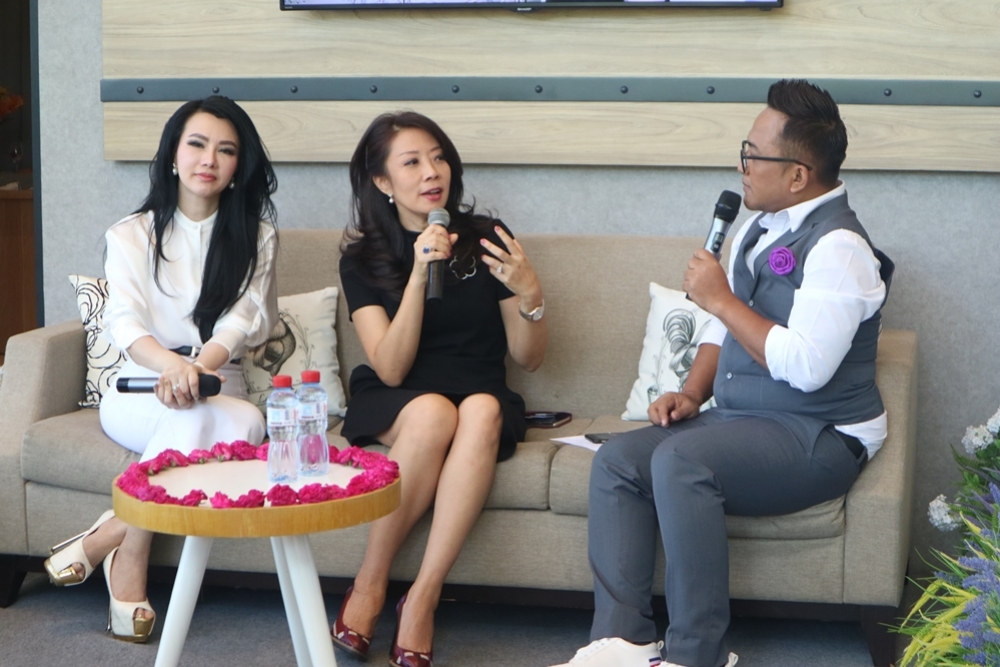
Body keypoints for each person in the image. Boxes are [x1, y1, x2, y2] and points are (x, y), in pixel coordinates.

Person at [552, 79, 894, 667]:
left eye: (754, 155)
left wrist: (720, 298)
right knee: (618, 461)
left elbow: (807, 368)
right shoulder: (757, 229)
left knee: (682, 462)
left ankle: (697, 654)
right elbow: (720, 331)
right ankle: (623, 641)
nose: (742, 166)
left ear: (798, 175)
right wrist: (691, 392)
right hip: (745, 420)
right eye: (745, 150)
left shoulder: (840, 248)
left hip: (821, 435)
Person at [42, 96, 279, 643]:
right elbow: (124, 322)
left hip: (219, 383)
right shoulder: (129, 234)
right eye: (197, 144)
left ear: (238, 166)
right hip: (140, 385)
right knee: (198, 422)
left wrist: (195, 371)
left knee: (247, 421)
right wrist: (172, 368)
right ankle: (131, 560)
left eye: (226, 150)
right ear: (173, 154)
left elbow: (240, 323)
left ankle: (112, 537)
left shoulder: (257, 236)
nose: (209, 159)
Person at [333, 111, 548, 667]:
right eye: (412, 162)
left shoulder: (486, 238)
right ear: (382, 181)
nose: (433, 172)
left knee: (479, 409)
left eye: (438, 157)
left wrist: (530, 295)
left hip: (480, 391)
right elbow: (391, 368)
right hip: (401, 395)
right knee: (432, 412)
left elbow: (530, 358)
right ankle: (370, 582)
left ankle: (423, 596)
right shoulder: (361, 259)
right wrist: (416, 273)